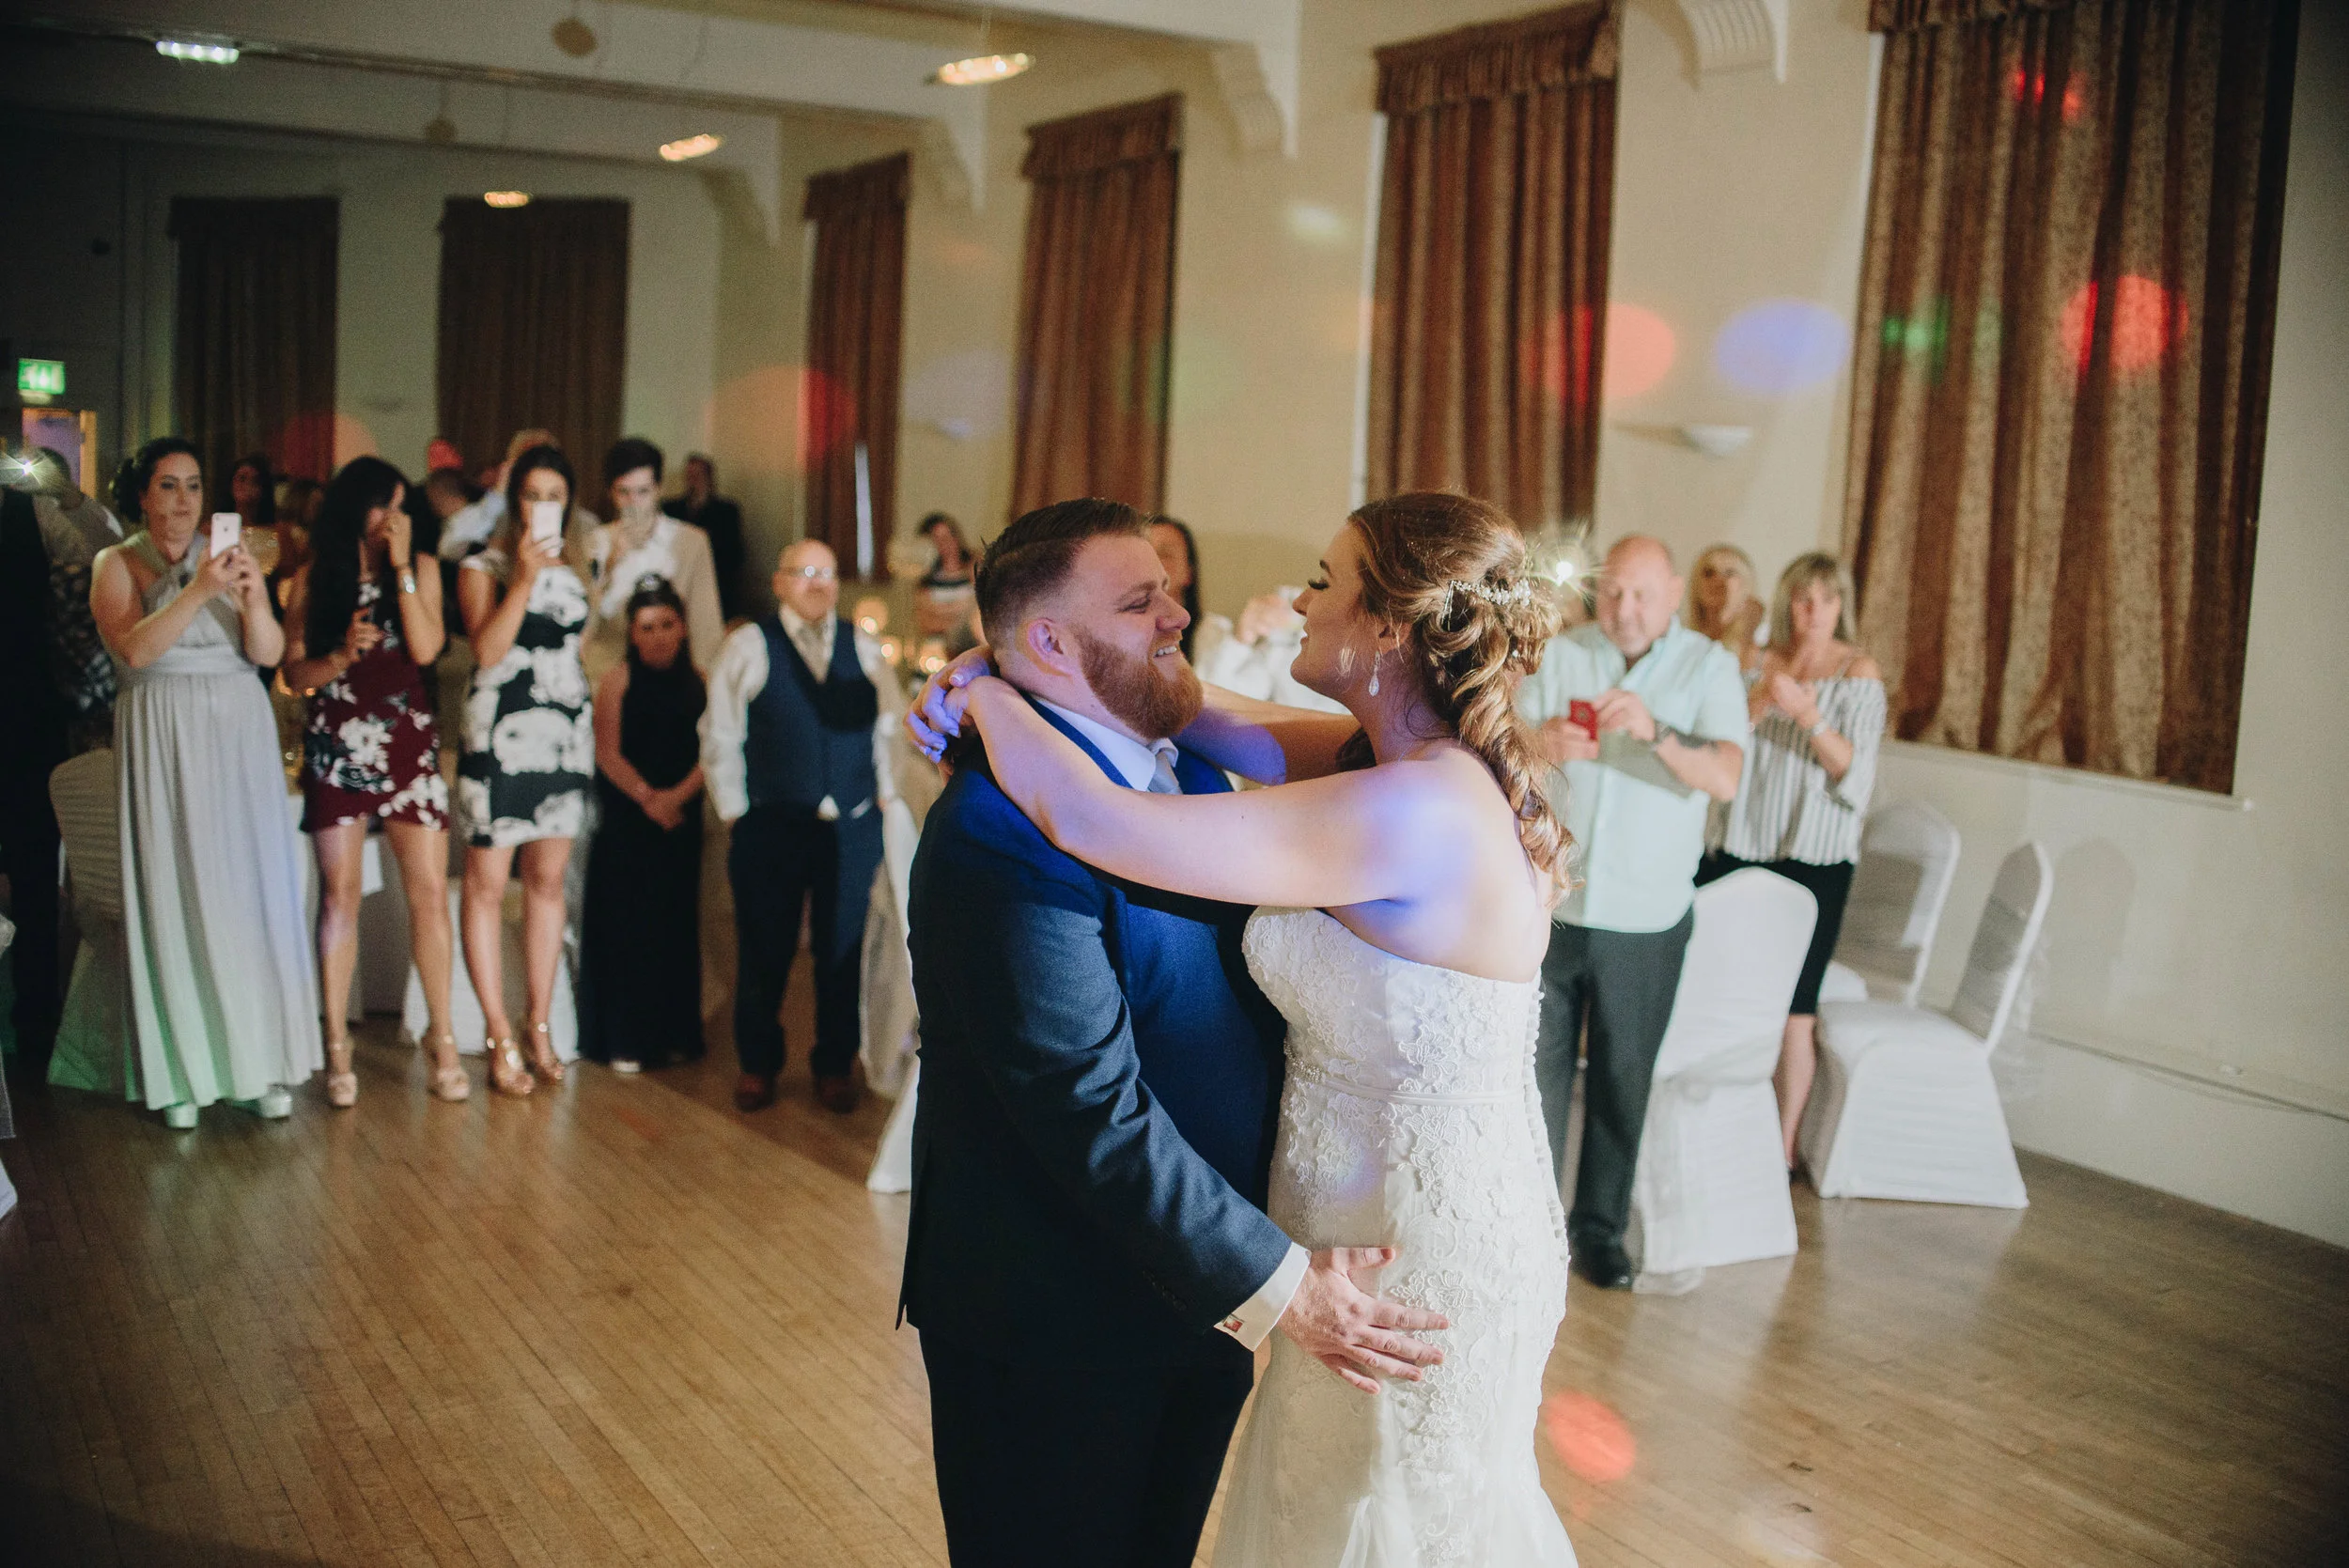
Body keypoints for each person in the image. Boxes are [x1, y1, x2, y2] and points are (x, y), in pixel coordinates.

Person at [904, 491, 1579, 1567]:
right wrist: (1003, 665)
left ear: (1388, 627)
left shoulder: (1416, 805)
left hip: (1406, 1250)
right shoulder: (1370, 762)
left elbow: (1094, 817)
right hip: (1202, 1277)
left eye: (1322, 581)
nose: (1292, 602)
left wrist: (989, 693)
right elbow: (1184, 705)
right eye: (1144, 598)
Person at [1517, 536, 1748, 1291]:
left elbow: (1725, 775)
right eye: (1614, 591)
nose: (1625, 608)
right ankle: (1532, 1228)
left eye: (1643, 594)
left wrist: (1656, 732)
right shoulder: (1562, 653)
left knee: (1622, 1079)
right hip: (1556, 903)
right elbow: (1501, 751)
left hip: (1647, 917)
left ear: (1673, 593)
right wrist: (1542, 743)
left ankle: (1600, 1231)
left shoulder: (1707, 667)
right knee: (1536, 1076)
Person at [85, 439, 320, 1127]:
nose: (184, 499)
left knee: (248, 895)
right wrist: (199, 590)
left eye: (193, 485)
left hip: (239, 731)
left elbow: (267, 653)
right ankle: (184, 1073)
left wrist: (252, 597)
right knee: (178, 890)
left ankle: (256, 1064)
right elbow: (135, 649)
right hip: (163, 729)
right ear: (142, 496)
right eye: (168, 485)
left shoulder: (234, 553)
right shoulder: (116, 562)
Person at [278, 457, 469, 1108]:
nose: (392, 518)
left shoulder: (422, 569)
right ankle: (336, 1044)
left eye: (400, 505)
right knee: (340, 897)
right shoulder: (314, 577)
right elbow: (294, 675)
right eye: (381, 505)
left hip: (407, 737)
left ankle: (443, 1038)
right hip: (338, 739)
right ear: (353, 507)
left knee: (429, 894)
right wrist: (339, 655)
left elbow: (426, 648)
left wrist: (403, 568)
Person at [700, 538, 904, 1114]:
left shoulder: (863, 645)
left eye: (829, 573)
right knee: (765, 946)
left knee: (842, 950)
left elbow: (888, 726)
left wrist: (886, 793)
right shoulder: (748, 645)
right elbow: (721, 734)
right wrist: (736, 811)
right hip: (772, 823)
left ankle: (834, 1065)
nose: (819, 584)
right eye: (806, 572)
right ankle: (758, 1063)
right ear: (780, 582)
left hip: (852, 825)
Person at [1698, 551, 1886, 1169]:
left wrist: (1808, 716)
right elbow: (1719, 742)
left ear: (1841, 606)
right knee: (1716, 987)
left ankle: (1777, 1150)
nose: (1814, 612)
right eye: (1804, 599)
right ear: (1788, 603)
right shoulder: (1754, 660)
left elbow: (1854, 775)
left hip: (1816, 854)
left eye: (1827, 600)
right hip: (1741, 843)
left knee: (1793, 1011)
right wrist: (1757, 703)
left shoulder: (1858, 672)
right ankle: (1711, 1126)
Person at [455, 444, 594, 1095]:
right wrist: (524, 580)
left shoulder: (582, 566)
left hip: (564, 734)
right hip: (500, 731)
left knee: (548, 879)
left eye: (554, 496)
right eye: (533, 494)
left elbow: (574, 649)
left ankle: (538, 1022)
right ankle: (496, 1031)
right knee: (486, 882)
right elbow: (487, 650)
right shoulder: (482, 564)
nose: (544, 506)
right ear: (515, 501)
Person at [579, 579, 708, 1074]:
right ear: (632, 634)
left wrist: (677, 797)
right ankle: (625, 1037)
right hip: (628, 821)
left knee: (674, 925)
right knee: (627, 927)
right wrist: (649, 798)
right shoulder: (618, 681)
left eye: (666, 625)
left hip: (682, 818)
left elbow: (713, 750)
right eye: (647, 627)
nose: (658, 636)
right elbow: (606, 751)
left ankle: (674, 1034)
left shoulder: (701, 679)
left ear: (683, 627)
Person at [585, 438, 724, 680]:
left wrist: (705, 683)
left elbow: (706, 624)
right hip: (607, 673)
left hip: (671, 675)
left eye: (643, 491)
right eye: (623, 492)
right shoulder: (595, 542)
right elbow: (583, 621)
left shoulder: (691, 541)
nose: (634, 503)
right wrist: (612, 562)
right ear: (611, 493)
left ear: (658, 489)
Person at [662, 452, 747, 621]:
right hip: (679, 579)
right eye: (689, 475)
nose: (692, 480)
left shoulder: (726, 511)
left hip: (716, 581)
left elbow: (733, 551)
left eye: (697, 475)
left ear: (709, 477)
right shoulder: (671, 509)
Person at [1147, 514, 1230, 668]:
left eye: (1165, 554)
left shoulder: (1212, 632)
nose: (1152, 561)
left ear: (1189, 573)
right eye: (1146, 551)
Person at [1687, 543, 1764, 674]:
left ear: (1746, 583)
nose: (1717, 580)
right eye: (1709, 573)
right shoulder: (1684, 638)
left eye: (1729, 573)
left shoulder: (1761, 637)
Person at [911, 511, 979, 650]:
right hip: (936, 649)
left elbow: (981, 610)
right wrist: (959, 620)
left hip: (971, 645)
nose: (946, 544)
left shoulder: (974, 567)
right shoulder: (925, 579)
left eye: (949, 536)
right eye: (938, 539)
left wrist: (944, 616)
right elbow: (925, 622)